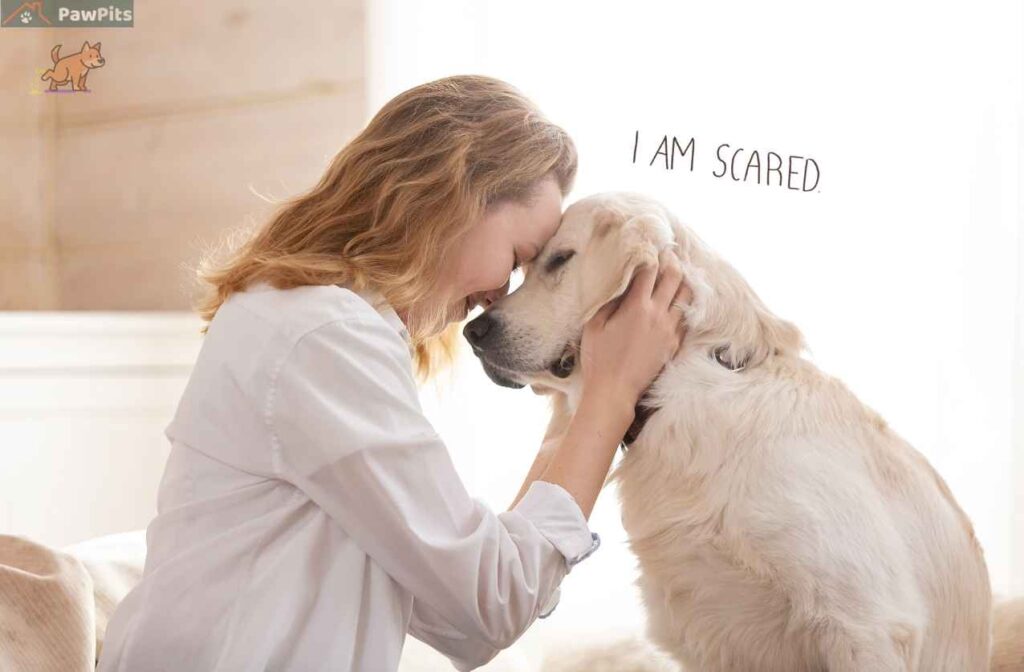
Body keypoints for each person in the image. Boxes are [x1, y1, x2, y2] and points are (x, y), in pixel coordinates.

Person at [97, 74, 690, 672]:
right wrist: (609, 399)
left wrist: (578, 401)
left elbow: (465, 617)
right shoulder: (322, 335)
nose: (499, 297)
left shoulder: (307, 320)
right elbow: (492, 602)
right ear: (452, 198)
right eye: (516, 259)